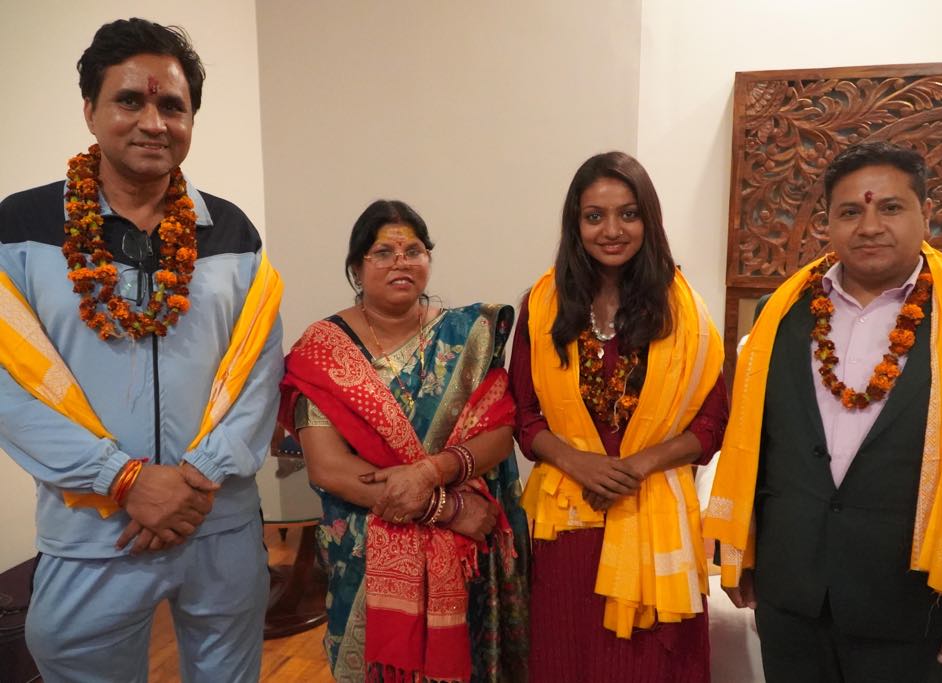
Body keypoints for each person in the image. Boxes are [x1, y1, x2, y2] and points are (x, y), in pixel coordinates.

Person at [0, 18, 283, 682]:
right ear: (90, 110)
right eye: (130, 100)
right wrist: (123, 479)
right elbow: (9, 388)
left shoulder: (233, 232)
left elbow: (258, 374)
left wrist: (194, 480)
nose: (154, 123)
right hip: (93, 528)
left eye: (173, 106)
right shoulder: (21, 228)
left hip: (217, 519)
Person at [706, 141, 942, 682]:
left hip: (907, 602)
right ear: (827, 223)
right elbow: (755, 446)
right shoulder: (779, 313)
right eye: (850, 211)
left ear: (927, 213)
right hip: (791, 592)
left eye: (891, 208)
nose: (870, 226)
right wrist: (738, 556)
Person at [278, 199, 529, 682]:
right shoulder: (322, 350)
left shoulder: (468, 336)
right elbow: (328, 467)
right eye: (383, 252)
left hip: (463, 555)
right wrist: (445, 508)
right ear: (356, 268)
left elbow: (500, 433)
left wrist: (431, 471)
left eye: (413, 250)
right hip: (368, 542)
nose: (401, 261)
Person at [512, 151, 729, 683]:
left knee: (649, 665)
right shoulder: (542, 306)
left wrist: (638, 465)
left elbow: (712, 422)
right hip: (568, 522)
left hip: (653, 510)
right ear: (576, 224)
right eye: (595, 216)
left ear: (648, 220)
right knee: (566, 661)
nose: (612, 230)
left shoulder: (685, 313)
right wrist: (578, 462)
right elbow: (524, 414)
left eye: (628, 214)